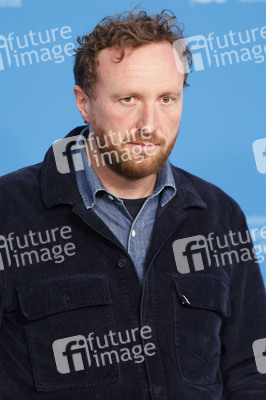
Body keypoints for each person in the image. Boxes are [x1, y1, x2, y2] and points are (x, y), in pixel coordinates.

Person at [0, 8, 265, 400]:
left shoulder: (219, 216)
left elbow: (251, 370)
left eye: (167, 99)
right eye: (128, 99)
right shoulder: (9, 210)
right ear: (84, 102)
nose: (149, 124)